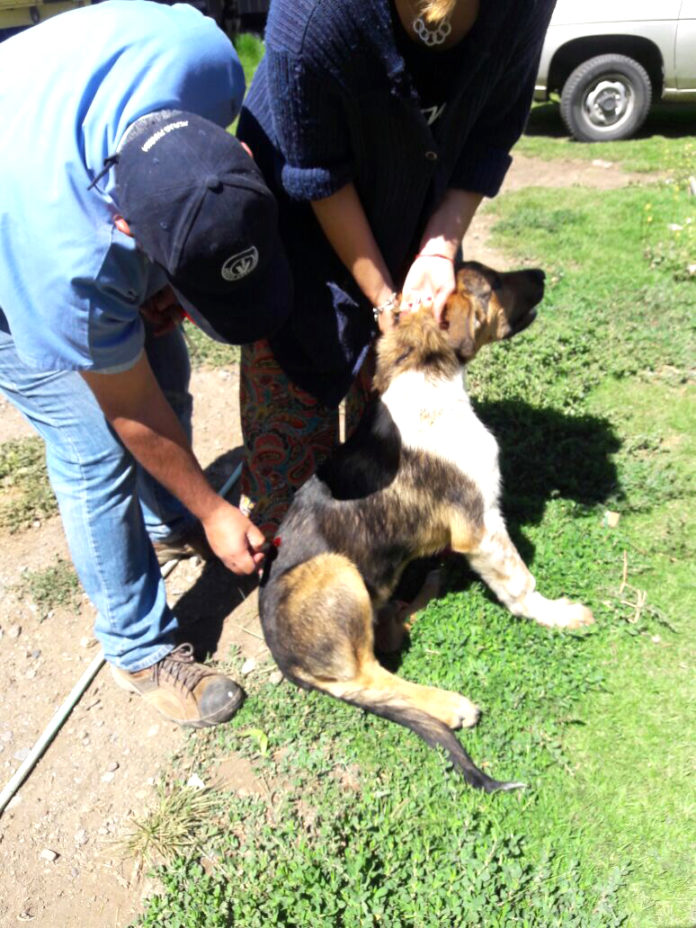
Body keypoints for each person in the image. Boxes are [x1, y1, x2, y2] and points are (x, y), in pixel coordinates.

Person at [0, 1, 292, 727]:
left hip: (44, 140)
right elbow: (129, 412)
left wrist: (161, 289)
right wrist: (215, 508)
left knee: (163, 355)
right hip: (14, 239)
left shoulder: (210, 61)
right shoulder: (70, 267)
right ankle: (138, 649)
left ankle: (165, 522)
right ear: (125, 227)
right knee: (91, 445)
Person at [236, 0, 556, 536]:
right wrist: (383, 296)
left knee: (390, 416)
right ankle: (289, 562)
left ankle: (383, 546)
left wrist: (437, 245)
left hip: (415, 202)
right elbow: (315, 173)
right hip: (298, 221)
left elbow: (491, 131)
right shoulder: (315, 14)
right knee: (294, 394)